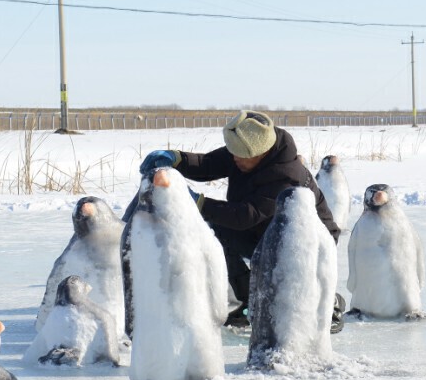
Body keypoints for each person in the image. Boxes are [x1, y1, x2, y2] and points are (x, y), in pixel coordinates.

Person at [141, 109, 344, 332]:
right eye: (233, 153)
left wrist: (196, 203)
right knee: (218, 231)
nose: (234, 159)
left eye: (240, 155)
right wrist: (175, 158)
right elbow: (208, 164)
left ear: (259, 153)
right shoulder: (248, 145)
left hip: (309, 241)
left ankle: (329, 305)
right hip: (265, 228)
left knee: (296, 274)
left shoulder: (286, 175)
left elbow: (245, 215)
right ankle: (249, 300)